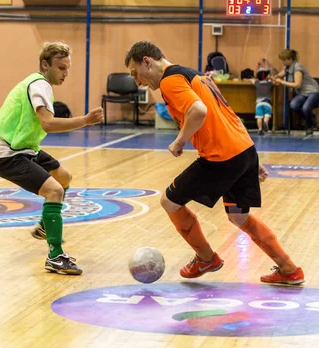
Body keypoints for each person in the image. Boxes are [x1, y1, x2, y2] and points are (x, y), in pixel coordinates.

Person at [124, 41, 305, 285]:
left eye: (136, 74)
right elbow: (227, 114)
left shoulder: (169, 80)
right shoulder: (195, 74)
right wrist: (251, 157)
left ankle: (205, 257)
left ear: (147, 61)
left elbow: (198, 111)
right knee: (239, 217)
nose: (138, 82)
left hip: (221, 157)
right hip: (242, 149)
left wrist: (179, 141)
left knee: (170, 201)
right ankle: (289, 269)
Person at [0, 42, 103, 275]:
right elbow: (48, 123)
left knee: (64, 177)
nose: (65, 74)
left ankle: (44, 225)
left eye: (67, 69)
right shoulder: (39, 84)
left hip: (26, 149)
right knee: (55, 192)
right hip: (9, 155)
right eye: (61, 68)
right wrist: (85, 120)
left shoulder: (37, 83)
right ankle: (55, 256)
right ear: (45, 64)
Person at [271, 49, 319, 135]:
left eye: (284, 60)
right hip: (303, 93)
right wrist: (274, 77)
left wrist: (281, 82)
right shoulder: (288, 68)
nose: (282, 62)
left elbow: (297, 85)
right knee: (293, 105)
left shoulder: (298, 68)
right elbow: (280, 75)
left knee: (306, 108)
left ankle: (309, 127)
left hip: (314, 92)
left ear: (290, 59)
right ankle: (313, 120)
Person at [249, 58, 276, 135]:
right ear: (267, 77)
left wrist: (253, 79)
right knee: (267, 114)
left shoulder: (257, 83)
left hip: (259, 103)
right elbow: (274, 81)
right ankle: (266, 122)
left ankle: (260, 129)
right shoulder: (269, 83)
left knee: (259, 116)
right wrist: (271, 78)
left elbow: (253, 81)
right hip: (267, 102)